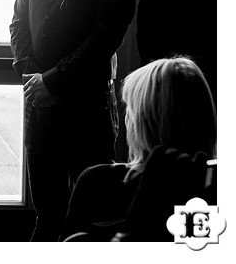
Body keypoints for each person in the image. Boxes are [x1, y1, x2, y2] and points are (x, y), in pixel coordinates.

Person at [9, 0, 137, 241]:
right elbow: (18, 23)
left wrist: (52, 81)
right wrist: (33, 78)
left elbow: (105, 39)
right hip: (40, 108)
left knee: (91, 215)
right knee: (47, 213)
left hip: (87, 111)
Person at [61, 57, 216, 241]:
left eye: (129, 108)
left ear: (141, 121)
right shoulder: (215, 188)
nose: (126, 117)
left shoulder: (98, 183)